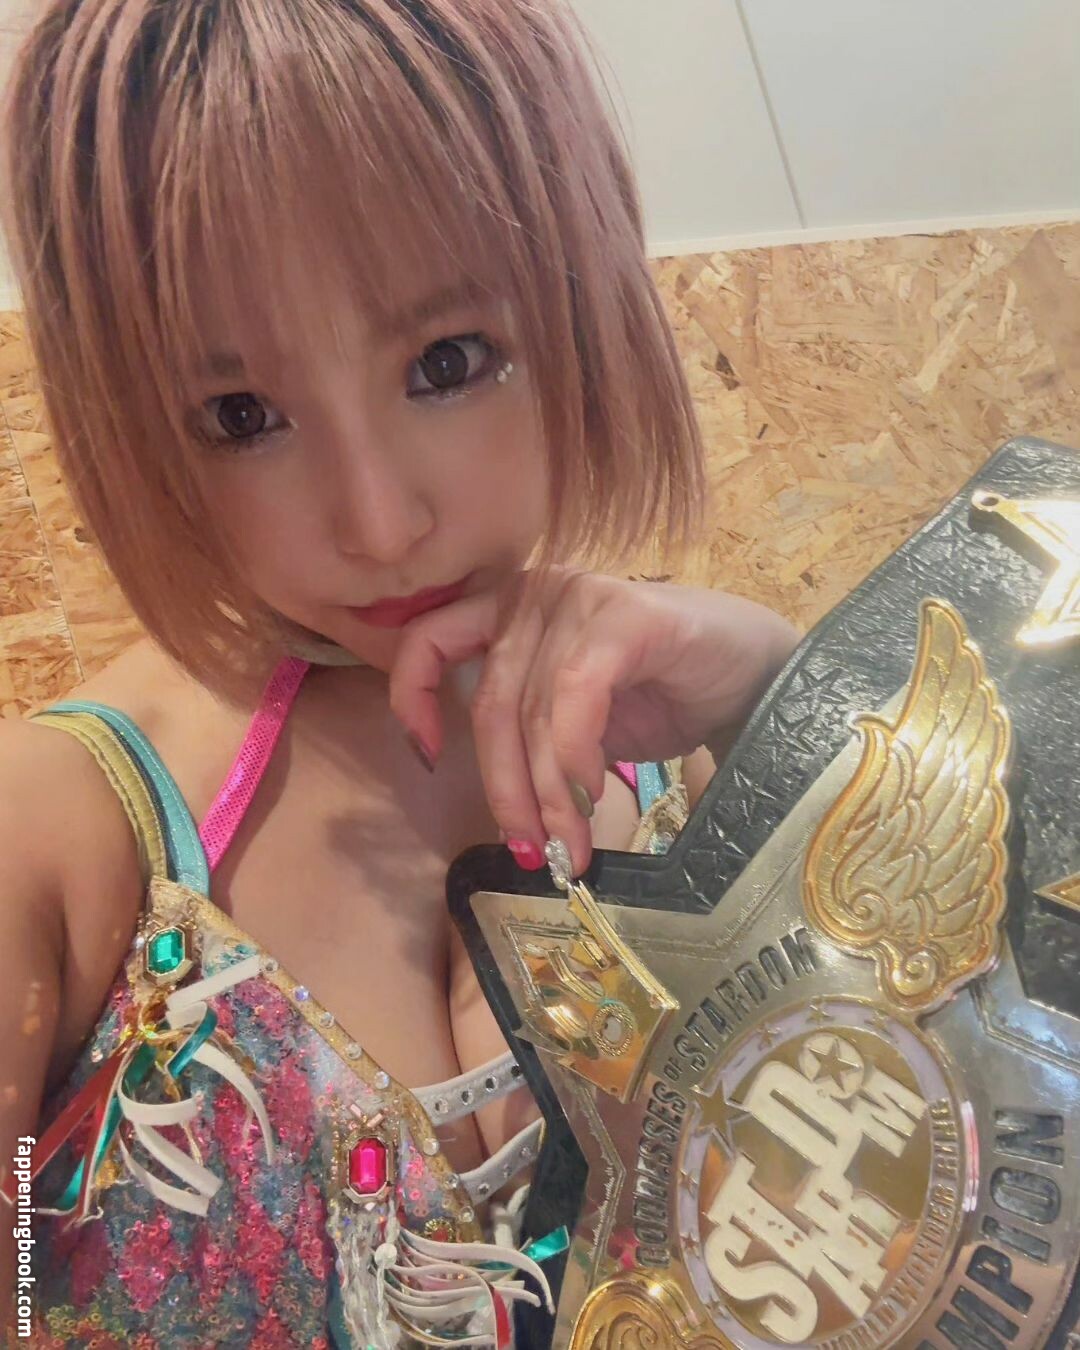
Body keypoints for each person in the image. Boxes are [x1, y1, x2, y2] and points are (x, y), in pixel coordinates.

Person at [0, 0, 797, 1344]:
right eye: (242, 416)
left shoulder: (688, 735)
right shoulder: (53, 836)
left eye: (447, 361)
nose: (378, 522)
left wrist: (790, 697)